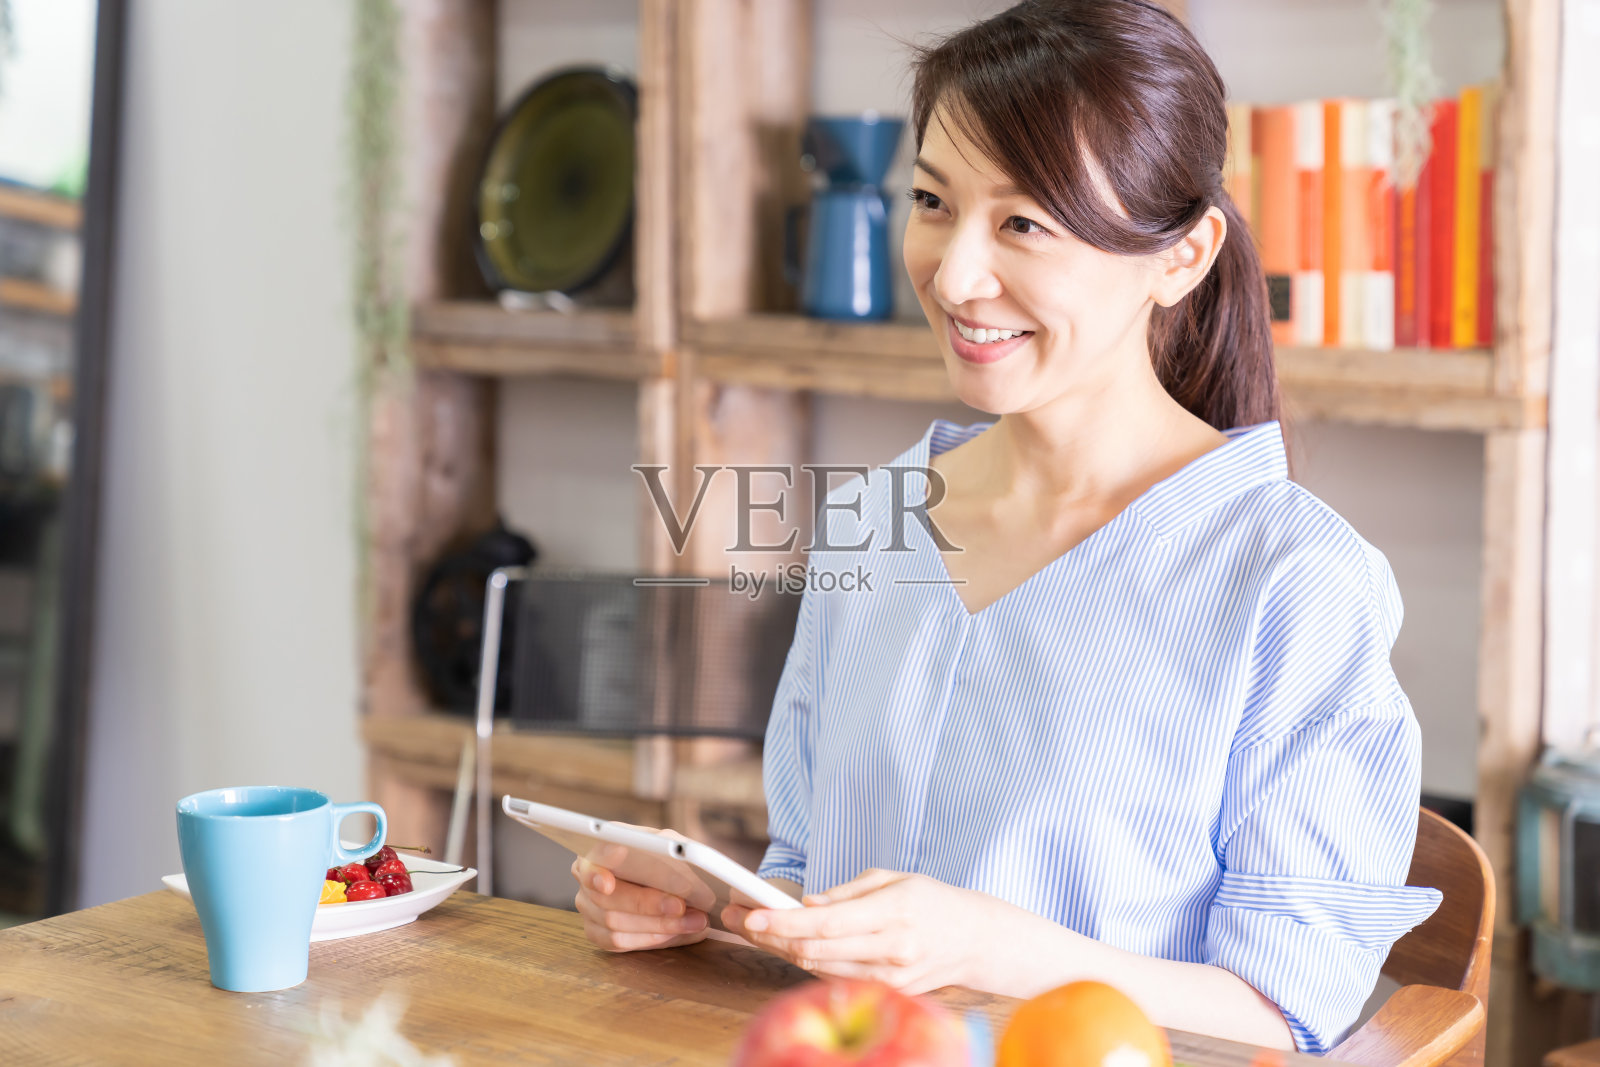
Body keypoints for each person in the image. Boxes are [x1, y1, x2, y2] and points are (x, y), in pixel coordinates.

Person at [570, 0, 1440, 1054]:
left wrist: (1001, 948)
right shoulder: (870, 520)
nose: (953, 272)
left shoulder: (1294, 579)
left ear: (1181, 254)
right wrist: (706, 909)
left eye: (1023, 221)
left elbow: (1292, 1009)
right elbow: (812, 869)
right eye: (933, 200)